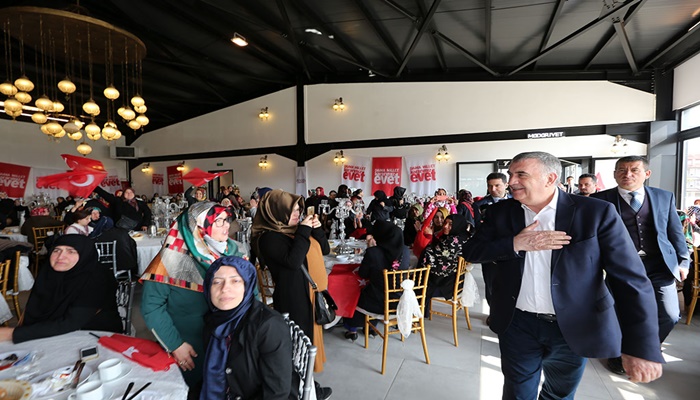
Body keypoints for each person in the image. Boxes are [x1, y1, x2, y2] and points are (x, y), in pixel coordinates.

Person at [462, 151, 663, 400]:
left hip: (573, 325)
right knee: (517, 392)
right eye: (510, 174)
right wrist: (514, 244)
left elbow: (631, 281)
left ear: (550, 178)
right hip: (517, 322)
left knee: (559, 394)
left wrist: (642, 347)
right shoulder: (501, 212)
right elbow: (472, 251)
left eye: (521, 174)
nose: (511, 181)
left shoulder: (595, 212)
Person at [592, 155, 689, 375]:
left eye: (634, 170)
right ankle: (620, 354)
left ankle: (645, 350)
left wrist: (683, 261)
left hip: (659, 265)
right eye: (622, 170)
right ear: (614, 174)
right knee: (621, 312)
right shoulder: (600, 199)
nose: (627, 174)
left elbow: (675, 232)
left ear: (647, 173)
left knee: (669, 314)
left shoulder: (664, 197)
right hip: (620, 267)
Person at [140, 202, 241, 394]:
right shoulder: (171, 258)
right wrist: (175, 344)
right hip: (192, 349)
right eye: (218, 221)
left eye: (226, 219)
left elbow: (251, 295)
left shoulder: (232, 251)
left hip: (231, 346)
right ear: (198, 226)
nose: (227, 225)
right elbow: (151, 306)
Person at [251, 189, 332, 400]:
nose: (298, 214)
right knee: (298, 347)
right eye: (293, 210)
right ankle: (300, 389)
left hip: (309, 294)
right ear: (277, 211)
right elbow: (294, 261)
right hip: (293, 297)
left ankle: (309, 386)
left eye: (298, 210)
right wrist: (303, 231)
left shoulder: (294, 230)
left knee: (308, 343)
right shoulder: (269, 238)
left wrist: (317, 229)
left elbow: (324, 249)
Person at [200, 255, 296, 400]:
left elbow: (277, 393)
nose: (225, 289)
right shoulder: (213, 321)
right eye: (217, 282)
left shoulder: (268, 326)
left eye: (235, 281)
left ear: (248, 285)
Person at [0, 235, 121, 343]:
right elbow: (33, 310)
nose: (60, 257)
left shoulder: (97, 277)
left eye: (71, 251)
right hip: (50, 333)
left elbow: (71, 322)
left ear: (85, 254)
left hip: (94, 337)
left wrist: (12, 334)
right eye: (56, 250)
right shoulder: (48, 274)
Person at [343, 221, 410, 340]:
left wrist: (370, 249)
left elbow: (363, 274)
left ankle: (352, 329)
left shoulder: (374, 252)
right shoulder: (405, 251)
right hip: (400, 299)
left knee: (355, 292)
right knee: (377, 288)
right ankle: (371, 327)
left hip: (376, 303)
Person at [421, 214, 470, 312]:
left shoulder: (451, 242)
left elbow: (436, 266)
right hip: (458, 282)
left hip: (446, 286)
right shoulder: (464, 237)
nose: (445, 226)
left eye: (450, 224)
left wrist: (429, 237)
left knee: (415, 282)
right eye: (445, 223)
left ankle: (418, 313)